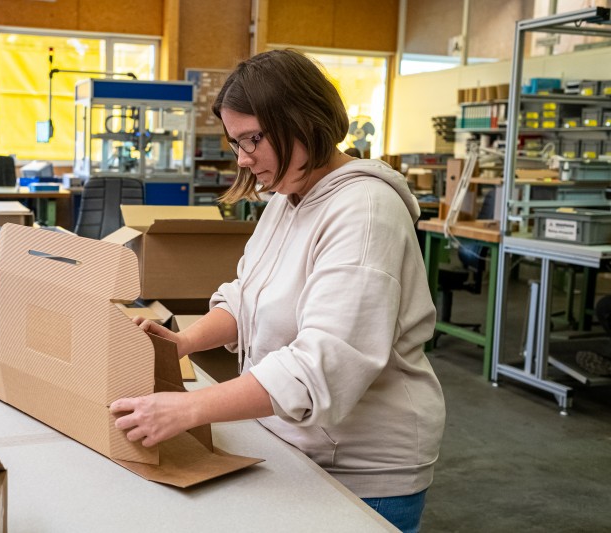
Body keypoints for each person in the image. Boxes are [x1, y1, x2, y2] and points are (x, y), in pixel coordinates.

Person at [110, 49, 446, 533]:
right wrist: (183, 342)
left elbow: (324, 361)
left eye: (253, 139)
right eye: (235, 143)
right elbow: (247, 297)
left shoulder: (365, 211)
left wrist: (191, 406)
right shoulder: (288, 198)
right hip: (292, 440)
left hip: (360, 469)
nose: (244, 159)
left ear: (304, 120)